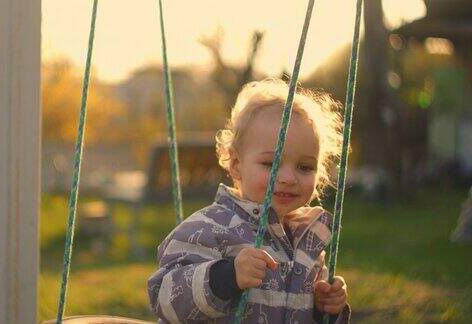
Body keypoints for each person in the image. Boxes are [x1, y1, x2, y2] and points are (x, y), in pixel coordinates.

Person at [147, 79, 351, 323]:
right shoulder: (208, 229)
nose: (287, 177)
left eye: (305, 167)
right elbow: (163, 297)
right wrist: (226, 277)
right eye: (270, 163)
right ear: (236, 165)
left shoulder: (306, 242)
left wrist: (324, 307)